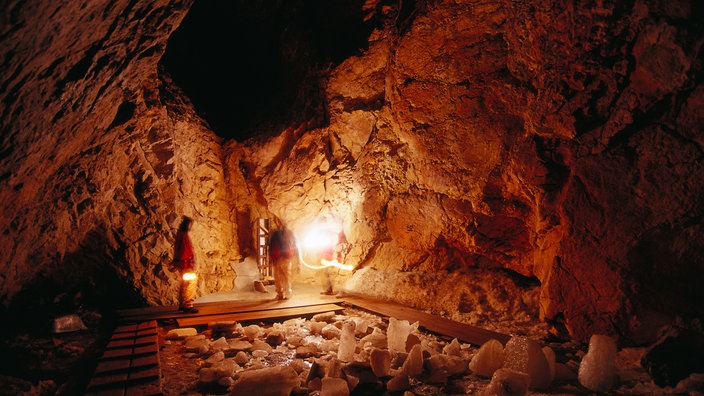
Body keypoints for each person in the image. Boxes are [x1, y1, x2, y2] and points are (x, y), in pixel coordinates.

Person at [173, 216, 198, 313]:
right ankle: (188, 305)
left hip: (183, 265)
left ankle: (182, 304)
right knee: (190, 283)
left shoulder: (180, 234)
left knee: (184, 284)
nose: (191, 227)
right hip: (186, 265)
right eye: (190, 224)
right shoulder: (184, 236)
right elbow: (184, 252)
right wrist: (189, 264)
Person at [269, 226, 295, 300]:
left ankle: (280, 294)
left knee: (278, 277)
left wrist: (271, 258)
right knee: (286, 276)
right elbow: (294, 245)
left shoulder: (275, 235)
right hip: (286, 257)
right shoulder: (289, 234)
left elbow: (272, 246)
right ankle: (287, 294)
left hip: (278, 257)